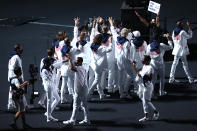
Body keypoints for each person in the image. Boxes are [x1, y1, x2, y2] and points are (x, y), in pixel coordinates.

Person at [109, 17, 133, 99]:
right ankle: (125, 91)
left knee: (120, 76)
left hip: (118, 59)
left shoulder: (116, 37)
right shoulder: (127, 43)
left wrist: (111, 23)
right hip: (125, 60)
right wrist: (131, 61)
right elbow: (127, 54)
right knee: (130, 75)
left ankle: (121, 93)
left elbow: (112, 30)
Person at [63, 55, 90, 125]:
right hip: (83, 89)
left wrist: (69, 59)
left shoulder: (79, 68)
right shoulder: (83, 68)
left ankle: (72, 121)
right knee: (84, 105)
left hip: (80, 90)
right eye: (76, 60)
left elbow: (71, 67)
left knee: (75, 106)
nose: (76, 62)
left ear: (81, 62)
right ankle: (87, 120)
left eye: (77, 61)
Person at [132, 55, 159, 122]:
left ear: (147, 60)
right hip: (142, 85)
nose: (142, 60)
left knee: (145, 101)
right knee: (143, 99)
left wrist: (141, 75)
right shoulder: (144, 66)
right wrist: (136, 69)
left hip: (147, 86)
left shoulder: (150, 68)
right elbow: (139, 74)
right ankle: (154, 112)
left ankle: (150, 115)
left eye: (143, 59)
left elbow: (150, 79)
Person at [88, 33, 112, 99]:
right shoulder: (102, 48)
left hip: (94, 64)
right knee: (97, 80)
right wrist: (110, 42)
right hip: (99, 66)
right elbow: (110, 49)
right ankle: (88, 94)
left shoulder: (92, 45)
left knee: (97, 80)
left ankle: (101, 94)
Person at [8, 44, 28, 110]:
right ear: (17, 49)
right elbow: (13, 67)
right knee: (20, 89)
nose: (22, 49)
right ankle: (22, 105)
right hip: (15, 76)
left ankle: (24, 104)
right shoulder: (16, 57)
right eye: (20, 48)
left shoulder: (12, 56)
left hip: (12, 75)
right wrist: (16, 76)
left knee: (12, 90)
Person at [41, 57, 58, 122]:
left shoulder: (49, 68)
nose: (50, 63)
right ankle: (48, 117)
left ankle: (48, 113)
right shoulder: (44, 70)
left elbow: (52, 77)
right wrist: (51, 72)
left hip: (51, 85)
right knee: (49, 100)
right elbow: (48, 79)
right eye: (49, 62)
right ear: (46, 63)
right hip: (48, 86)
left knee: (58, 99)